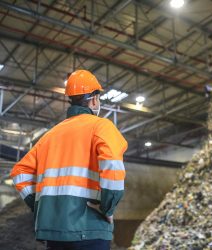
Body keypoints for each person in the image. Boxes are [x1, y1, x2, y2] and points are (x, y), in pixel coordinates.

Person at [10, 70, 128, 250]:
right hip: (89, 229)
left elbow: (19, 173)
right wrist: (108, 208)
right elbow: (112, 165)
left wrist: (39, 205)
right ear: (94, 99)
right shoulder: (101, 126)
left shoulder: (50, 136)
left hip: (53, 232)